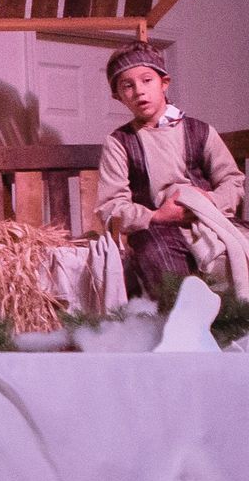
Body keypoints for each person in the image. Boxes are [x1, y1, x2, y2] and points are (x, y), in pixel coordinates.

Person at [94, 42, 249, 300]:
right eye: (127, 86)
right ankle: (185, 331)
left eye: (146, 80)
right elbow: (111, 205)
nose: (139, 91)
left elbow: (232, 181)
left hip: (209, 220)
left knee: (239, 247)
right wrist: (157, 217)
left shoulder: (200, 131)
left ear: (164, 83)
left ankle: (238, 327)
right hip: (157, 229)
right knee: (161, 263)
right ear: (117, 96)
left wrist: (208, 202)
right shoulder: (120, 142)